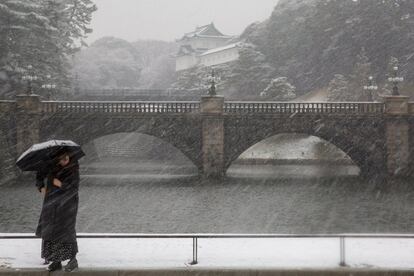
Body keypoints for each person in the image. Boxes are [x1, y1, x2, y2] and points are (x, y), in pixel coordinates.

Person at [35, 150, 80, 272]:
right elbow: (39, 176)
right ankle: (56, 260)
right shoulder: (51, 167)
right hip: (51, 202)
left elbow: (74, 189)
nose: (64, 161)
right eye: (61, 159)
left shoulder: (73, 169)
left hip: (67, 205)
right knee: (51, 230)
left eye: (66, 158)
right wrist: (41, 187)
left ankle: (72, 260)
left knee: (66, 231)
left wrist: (60, 184)